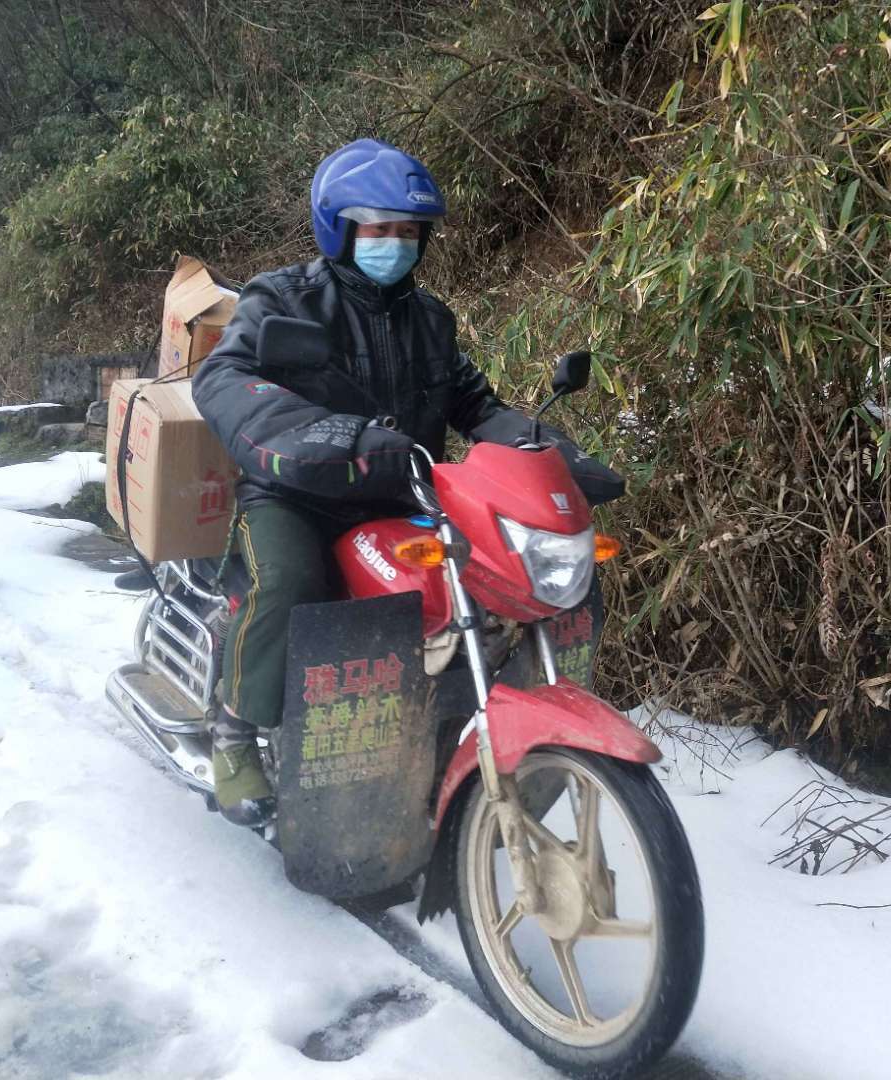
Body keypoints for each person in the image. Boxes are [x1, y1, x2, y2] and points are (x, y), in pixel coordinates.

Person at [192, 138, 621, 827]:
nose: (395, 243)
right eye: (379, 229)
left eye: (407, 232)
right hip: (298, 497)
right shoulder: (284, 300)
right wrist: (340, 436)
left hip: (404, 496)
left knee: (482, 589)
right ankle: (235, 732)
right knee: (289, 583)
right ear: (341, 228)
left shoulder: (430, 320)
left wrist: (547, 451)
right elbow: (224, 381)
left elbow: (474, 405)